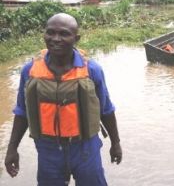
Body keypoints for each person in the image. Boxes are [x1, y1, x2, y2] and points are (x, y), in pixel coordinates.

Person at [4, 13, 122, 185]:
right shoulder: (30, 71)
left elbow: (106, 110)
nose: (55, 39)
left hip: (85, 148)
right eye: (50, 33)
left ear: (76, 38)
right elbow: (22, 112)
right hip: (48, 149)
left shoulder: (92, 70)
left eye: (64, 34)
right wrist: (12, 149)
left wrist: (115, 143)